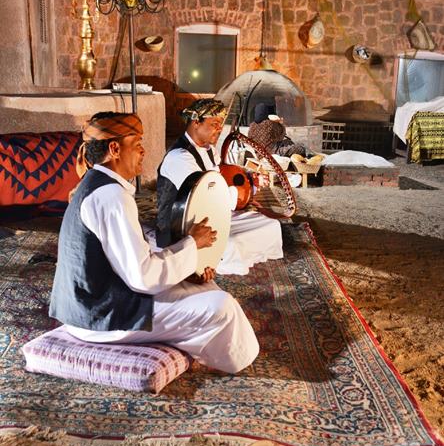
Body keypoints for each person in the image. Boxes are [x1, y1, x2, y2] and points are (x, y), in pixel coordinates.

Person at [49, 111, 259, 374]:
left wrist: (188, 267)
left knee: (202, 287)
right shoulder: (111, 196)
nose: (143, 151)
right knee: (221, 307)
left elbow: (133, 260)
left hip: (97, 302)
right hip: (99, 316)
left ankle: (185, 336)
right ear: (114, 149)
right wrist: (193, 243)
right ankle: (241, 364)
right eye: (136, 143)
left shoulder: (98, 185)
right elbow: (143, 277)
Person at [156, 98, 283, 276]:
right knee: (233, 243)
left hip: (210, 215)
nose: (219, 129)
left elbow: (219, 183)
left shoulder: (209, 150)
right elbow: (206, 197)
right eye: (214, 124)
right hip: (183, 227)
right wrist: (241, 193)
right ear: (196, 123)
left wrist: (249, 183)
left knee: (271, 225)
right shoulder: (179, 157)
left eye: (221, 125)